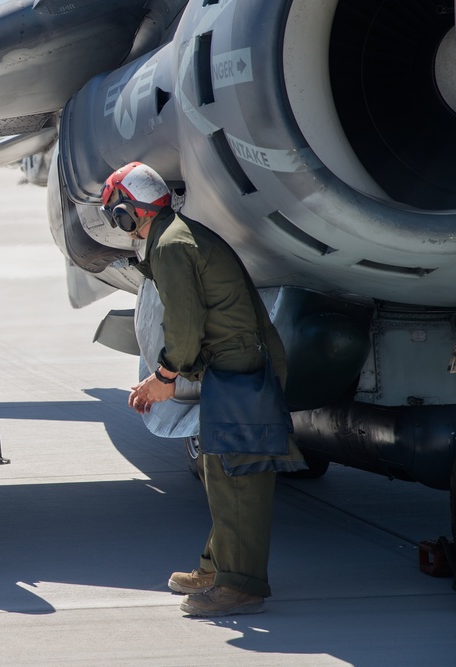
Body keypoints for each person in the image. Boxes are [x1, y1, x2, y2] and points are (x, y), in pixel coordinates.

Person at [104, 162, 305, 617]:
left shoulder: (171, 246)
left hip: (240, 367)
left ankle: (241, 585)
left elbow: (185, 323)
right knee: (220, 471)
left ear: (128, 211)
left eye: (116, 213)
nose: (119, 224)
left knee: (240, 476)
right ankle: (220, 568)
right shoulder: (174, 235)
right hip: (233, 364)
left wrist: (165, 378)